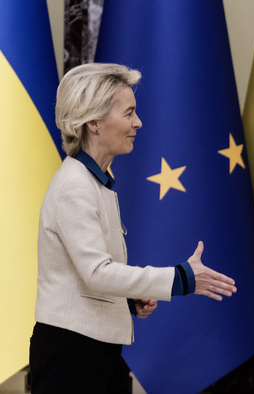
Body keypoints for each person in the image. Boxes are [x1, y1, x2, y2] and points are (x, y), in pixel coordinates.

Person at [29, 63, 237, 393]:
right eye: (129, 113)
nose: (138, 122)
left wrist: (127, 299)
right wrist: (179, 278)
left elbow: (81, 277)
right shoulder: (75, 186)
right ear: (94, 122)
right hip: (72, 358)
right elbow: (97, 272)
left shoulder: (94, 182)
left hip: (94, 352)